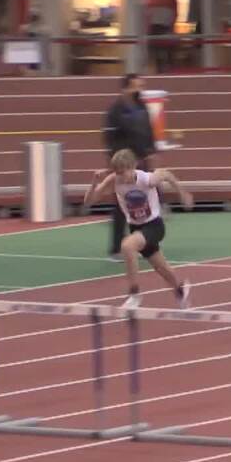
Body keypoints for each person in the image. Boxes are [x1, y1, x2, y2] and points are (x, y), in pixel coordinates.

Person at [83, 149, 193, 309]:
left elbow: (167, 174)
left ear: (133, 166)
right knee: (161, 268)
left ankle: (134, 294)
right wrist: (94, 182)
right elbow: (89, 201)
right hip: (136, 227)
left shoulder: (146, 179)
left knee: (127, 246)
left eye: (123, 172)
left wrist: (183, 194)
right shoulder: (114, 180)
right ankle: (180, 290)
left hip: (154, 225)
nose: (121, 176)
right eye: (117, 173)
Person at [102, 73, 157, 260]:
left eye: (140, 86)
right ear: (125, 88)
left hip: (141, 161)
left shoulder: (142, 106)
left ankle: (142, 242)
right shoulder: (115, 111)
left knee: (143, 201)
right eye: (135, 86)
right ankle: (116, 248)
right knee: (121, 204)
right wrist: (116, 163)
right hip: (124, 165)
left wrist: (151, 150)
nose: (139, 90)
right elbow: (109, 139)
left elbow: (148, 130)